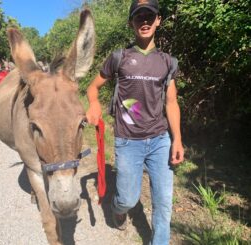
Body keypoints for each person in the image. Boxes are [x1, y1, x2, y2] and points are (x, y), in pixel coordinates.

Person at [86, 0, 184, 244]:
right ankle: (118, 209)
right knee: (128, 200)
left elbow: (171, 103)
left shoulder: (168, 62)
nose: (145, 21)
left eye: (149, 16)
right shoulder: (119, 57)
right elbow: (93, 88)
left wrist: (177, 140)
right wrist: (94, 103)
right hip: (128, 141)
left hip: (160, 140)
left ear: (158, 20)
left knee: (163, 204)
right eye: (139, 17)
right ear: (131, 22)